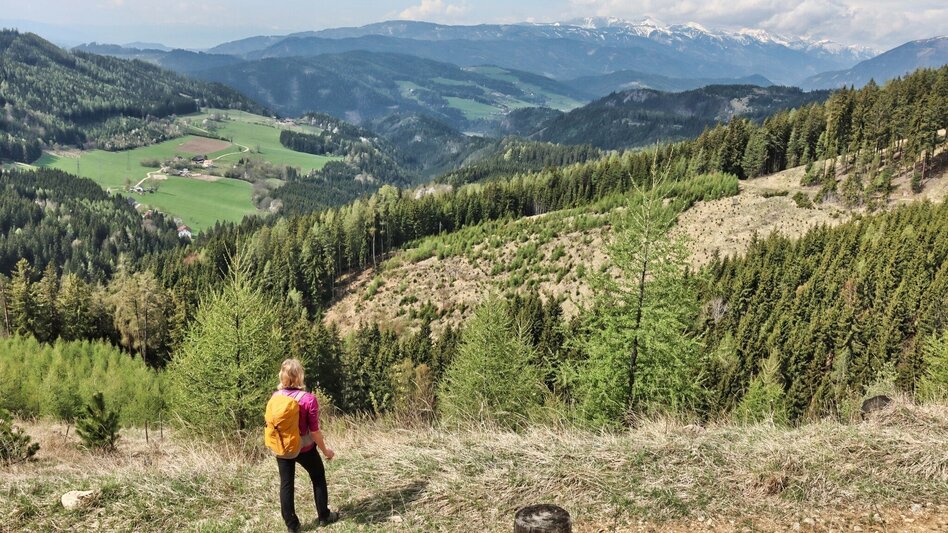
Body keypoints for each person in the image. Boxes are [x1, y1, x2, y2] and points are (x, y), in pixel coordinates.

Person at [273, 358, 339, 532]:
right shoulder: (308, 399)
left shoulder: (275, 396)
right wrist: (326, 451)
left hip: (282, 447)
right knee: (317, 476)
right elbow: (315, 432)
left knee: (286, 484)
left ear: (282, 376)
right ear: (299, 376)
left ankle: (292, 526)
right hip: (304, 448)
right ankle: (324, 516)